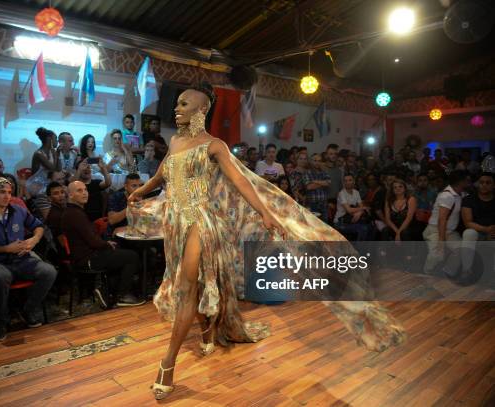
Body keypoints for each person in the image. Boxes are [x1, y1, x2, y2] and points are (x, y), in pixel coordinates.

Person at [127, 83, 405, 399]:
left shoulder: (214, 145)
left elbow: (242, 181)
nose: (176, 109)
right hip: (174, 222)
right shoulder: (175, 141)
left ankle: (167, 365)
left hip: (201, 222)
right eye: (176, 104)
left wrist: (265, 212)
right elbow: (164, 172)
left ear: (201, 111)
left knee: (187, 286)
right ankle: (207, 331)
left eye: (183, 104)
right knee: (200, 282)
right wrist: (142, 190)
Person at [0, 177, 57, 341]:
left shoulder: (18, 210)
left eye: (10, 192)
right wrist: (6, 249)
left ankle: (28, 309)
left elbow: (39, 226)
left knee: (49, 271)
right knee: (0, 276)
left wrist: (34, 240)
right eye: (2, 192)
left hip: (22, 259)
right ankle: (0, 322)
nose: (7, 196)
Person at [61, 181, 145, 308]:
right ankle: (122, 296)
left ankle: (108, 293)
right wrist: (106, 245)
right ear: (70, 195)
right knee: (132, 256)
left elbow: (90, 237)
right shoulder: (75, 214)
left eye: (85, 190)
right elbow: (93, 241)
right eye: (79, 190)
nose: (84, 193)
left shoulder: (74, 211)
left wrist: (105, 243)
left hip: (87, 255)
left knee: (119, 252)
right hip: (87, 258)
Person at [422, 170, 469, 274]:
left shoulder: (462, 194)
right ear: (460, 182)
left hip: (450, 232)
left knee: (462, 249)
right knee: (437, 255)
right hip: (436, 230)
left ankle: (448, 272)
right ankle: (426, 274)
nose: (469, 181)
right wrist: (441, 241)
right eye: (467, 179)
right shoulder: (447, 196)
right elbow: (441, 220)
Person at [460, 172, 495, 272]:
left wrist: (491, 231)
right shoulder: (469, 199)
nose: (484, 185)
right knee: (469, 233)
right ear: (477, 184)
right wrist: (486, 230)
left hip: (493, 231)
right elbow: (468, 222)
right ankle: (466, 270)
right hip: (477, 231)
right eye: (481, 182)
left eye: (488, 183)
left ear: (493, 185)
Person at [334, 174, 374, 241]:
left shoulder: (356, 192)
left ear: (354, 181)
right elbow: (349, 210)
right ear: (343, 183)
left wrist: (360, 212)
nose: (347, 182)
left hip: (352, 219)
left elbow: (361, 207)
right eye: (345, 181)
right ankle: (358, 250)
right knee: (363, 228)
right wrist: (362, 209)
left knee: (372, 226)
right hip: (340, 221)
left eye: (350, 180)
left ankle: (367, 248)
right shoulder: (341, 194)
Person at [26, 127, 60, 197]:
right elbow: (52, 168)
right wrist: (55, 155)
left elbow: (58, 169)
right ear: (49, 139)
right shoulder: (38, 154)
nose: (57, 141)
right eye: (55, 138)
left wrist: (57, 154)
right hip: (36, 187)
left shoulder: (52, 153)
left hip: (47, 185)